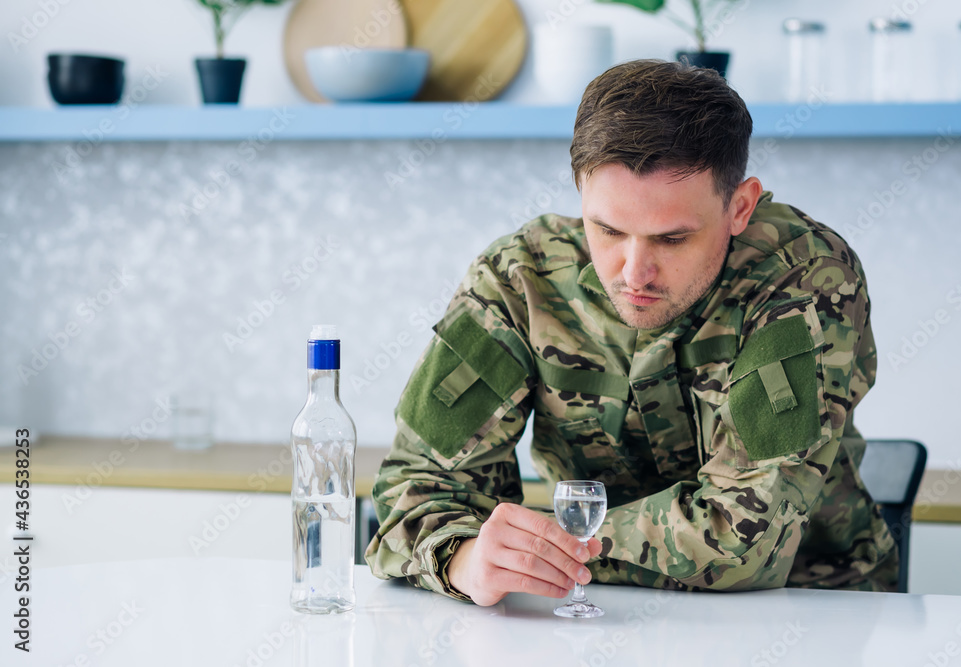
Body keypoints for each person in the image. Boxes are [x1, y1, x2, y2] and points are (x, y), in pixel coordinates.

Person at [365, 60, 899, 606]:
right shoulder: (519, 279)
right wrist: (464, 559)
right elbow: (415, 486)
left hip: (813, 611)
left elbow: (746, 540)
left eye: (671, 240)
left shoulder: (802, 276)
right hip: (579, 610)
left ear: (739, 207)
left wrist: (549, 547)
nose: (632, 272)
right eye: (608, 230)